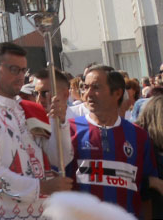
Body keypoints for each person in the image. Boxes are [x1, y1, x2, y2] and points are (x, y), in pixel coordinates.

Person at [0, 42, 73, 220]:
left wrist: (60, 123)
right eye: (14, 69)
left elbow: (58, 158)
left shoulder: (30, 110)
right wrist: (43, 187)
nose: (21, 76)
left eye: (23, 70)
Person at [67, 65, 157, 216]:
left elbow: (146, 193)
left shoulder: (139, 136)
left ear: (117, 93)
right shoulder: (70, 130)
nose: (88, 93)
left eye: (96, 87)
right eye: (85, 87)